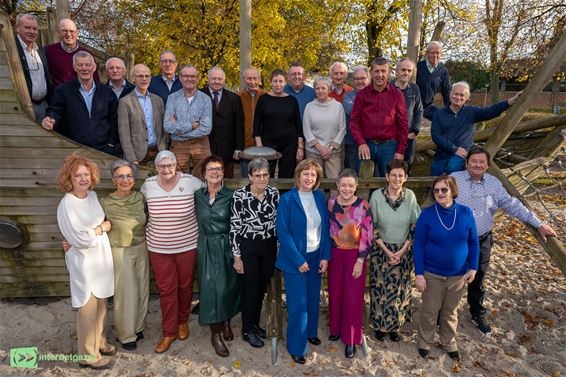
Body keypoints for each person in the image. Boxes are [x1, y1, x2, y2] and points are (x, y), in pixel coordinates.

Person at [451, 146, 557, 335]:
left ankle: (476, 313)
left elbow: (512, 204)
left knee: (479, 278)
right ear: (466, 163)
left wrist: (538, 223)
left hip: (482, 239)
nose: (477, 164)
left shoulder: (493, 183)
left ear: (487, 165)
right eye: (473, 161)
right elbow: (440, 203)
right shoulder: (454, 179)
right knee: (451, 277)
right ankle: (444, 314)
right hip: (455, 240)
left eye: (482, 162)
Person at [56, 153, 115, 370]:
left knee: (102, 305)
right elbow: (80, 239)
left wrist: (95, 229)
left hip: (101, 259)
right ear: (68, 179)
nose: (83, 179)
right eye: (77, 175)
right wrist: (101, 229)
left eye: (86, 174)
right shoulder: (67, 205)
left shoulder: (92, 196)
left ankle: (99, 342)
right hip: (84, 262)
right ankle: (87, 356)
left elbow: (92, 226)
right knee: (87, 309)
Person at [140, 150, 203, 354]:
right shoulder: (148, 186)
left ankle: (182, 322)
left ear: (176, 165)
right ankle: (169, 331)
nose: (166, 169)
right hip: (158, 247)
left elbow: (209, 195)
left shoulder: (191, 182)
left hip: (187, 245)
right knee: (167, 290)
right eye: (161, 166)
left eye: (170, 165)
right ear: (156, 167)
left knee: (185, 287)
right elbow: (138, 210)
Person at [414, 175, 479, 361]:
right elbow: (418, 245)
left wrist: (473, 267)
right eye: (436, 190)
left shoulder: (466, 213)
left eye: (444, 189)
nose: (440, 193)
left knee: (451, 311)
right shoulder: (427, 214)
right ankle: (424, 341)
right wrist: (419, 274)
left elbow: (473, 243)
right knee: (429, 310)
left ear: (452, 190)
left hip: (458, 275)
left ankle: (448, 341)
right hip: (432, 274)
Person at [276, 159, 330, 364]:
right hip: (294, 259)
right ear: (298, 176)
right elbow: (283, 231)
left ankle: (310, 333)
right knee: (298, 303)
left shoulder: (318, 196)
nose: (309, 178)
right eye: (305, 174)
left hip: (316, 255)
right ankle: (296, 347)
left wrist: (325, 255)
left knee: (313, 298)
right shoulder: (288, 199)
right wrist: (298, 259)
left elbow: (324, 228)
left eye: (313, 175)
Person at [99, 160, 149, 351]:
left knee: (143, 289)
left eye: (128, 176)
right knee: (126, 293)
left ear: (133, 180)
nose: (125, 180)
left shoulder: (139, 198)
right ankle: (126, 334)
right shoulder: (104, 202)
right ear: (113, 181)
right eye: (120, 176)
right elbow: (91, 226)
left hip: (141, 247)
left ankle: (138, 327)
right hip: (120, 251)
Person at [369, 160, 421, 342]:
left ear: (406, 178)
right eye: (393, 175)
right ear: (386, 177)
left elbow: (415, 224)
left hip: (403, 250)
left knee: (400, 289)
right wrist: (386, 250)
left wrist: (402, 250)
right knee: (380, 288)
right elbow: (371, 225)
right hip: (381, 250)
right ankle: (379, 327)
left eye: (400, 175)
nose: (396, 178)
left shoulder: (411, 196)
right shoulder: (376, 196)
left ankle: (395, 327)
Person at [195, 155, 241, 357]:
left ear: (223, 173)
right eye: (211, 169)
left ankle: (227, 322)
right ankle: (216, 334)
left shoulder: (232, 196)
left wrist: (237, 252)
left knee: (228, 286)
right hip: (206, 245)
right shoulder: (198, 195)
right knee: (210, 290)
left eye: (219, 169)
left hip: (227, 244)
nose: (215, 172)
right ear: (204, 174)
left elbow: (238, 225)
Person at [230, 158, 279, 348]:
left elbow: (277, 224)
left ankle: (255, 325)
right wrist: (237, 256)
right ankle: (247, 330)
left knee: (260, 290)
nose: (261, 178)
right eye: (257, 175)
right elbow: (234, 227)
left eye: (265, 174)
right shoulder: (240, 196)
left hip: (269, 247)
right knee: (250, 291)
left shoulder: (274, 193)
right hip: (248, 247)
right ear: (250, 176)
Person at [327, 169, 373, 358]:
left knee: (353, 298)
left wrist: (361, 260)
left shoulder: (363, 205)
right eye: (343, 185)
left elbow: (368, 234)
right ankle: (336, 329)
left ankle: (351, 339)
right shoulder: (330, 203)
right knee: (335, 293)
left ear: (356, 187)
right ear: (337, 186)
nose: (347, 189)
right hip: (334, 255)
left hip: (355, 256)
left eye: (351, 186)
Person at [431, 82, 520, 176]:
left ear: (467, 98)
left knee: (453, 170)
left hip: (462, 154)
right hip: (442, 154)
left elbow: (491, 111)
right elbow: (436, 135)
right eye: (456, 94)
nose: (458, 97)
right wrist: (454, 148)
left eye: (462, 95)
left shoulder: (471, 112)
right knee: (434, 177)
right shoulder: (439, 113)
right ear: (450, 94)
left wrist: (512, 100)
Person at [41, 51, 120, 157]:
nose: (84, 68)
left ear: (94, 67)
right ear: (74, 67)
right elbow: (55, 111)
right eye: (80, 65)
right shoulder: (63, 90)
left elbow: (114, 119)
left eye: (87, 65)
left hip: (104, 149)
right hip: (74, 149)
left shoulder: (107, 92)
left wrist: (111, 143)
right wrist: (50, 118)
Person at [349, 57, 408, 177]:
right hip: (366, 145)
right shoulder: (362, 94)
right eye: (376, 71)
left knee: (389, 180)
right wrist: (361, 142)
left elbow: (403, 124)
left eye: (383, 71)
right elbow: (354, 121)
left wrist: (400, 150)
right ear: (371, 73)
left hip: (389, 146)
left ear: (389, 73)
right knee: (363, 180)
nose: (380, 75)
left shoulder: (397, 95)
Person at [253, 69, 304, 178]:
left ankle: (284, 195)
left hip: (289, 145)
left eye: (281, 81)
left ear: (285, 82)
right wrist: (259, 146)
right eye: (275, 81)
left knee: (287, 175)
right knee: (266, 174)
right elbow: (256, 124)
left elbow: (298, 125)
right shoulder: (263, 99)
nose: (278, 84)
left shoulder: (292, 100)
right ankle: (268, 195)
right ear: (270, 82)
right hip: (268, 145)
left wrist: (300, 147)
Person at [164, 64, 213, 175]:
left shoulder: (206, 99)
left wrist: (179, 131)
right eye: (186, 76)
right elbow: (167, 126)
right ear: (180, 78)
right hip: (178, 146)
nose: (190, 79)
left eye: (193, 76)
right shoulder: (172, 98)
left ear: (198, 78)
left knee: (204, 176)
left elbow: (206, 128)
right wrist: (191, 125)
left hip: (201, 144)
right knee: (178, 178)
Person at [118, 64, 168, 165]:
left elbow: (164, 128)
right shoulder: (125, 102)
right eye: (140, 76)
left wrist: (164, 147)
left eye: (147, 76)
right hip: (138, 156)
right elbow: (124, 134)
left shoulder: (158, 100)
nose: (144, 79)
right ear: (133, 78)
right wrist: (132, 158)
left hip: (159, 153)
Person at [200, 67, 244, 178]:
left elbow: (239, 125)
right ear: (208, 79)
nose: (217, 81)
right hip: (204, 146)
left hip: (227, 150)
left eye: (220, 79)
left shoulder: (234, 98)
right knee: (205, 178)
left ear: (224, 80)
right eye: (214, 78)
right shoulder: (199, 95)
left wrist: (238, 148)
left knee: (227, 180)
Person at [302, 77, 346, 178]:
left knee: (334, 182)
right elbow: (306, 129)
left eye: (323, 88)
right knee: (314, 181)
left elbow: (342, 129)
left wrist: (330, 148)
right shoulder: (309, 106)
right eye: (317, 88)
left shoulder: (338, 106)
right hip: (313, 151)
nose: (320, 91)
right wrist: (320, 148)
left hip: (333, 151)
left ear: (329, 90)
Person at [14, 13, 52, 121]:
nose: (32, 31)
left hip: (43, 105)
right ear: (17, 28)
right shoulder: (12, 49)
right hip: (22, 107)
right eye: (27, 27)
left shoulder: (41, 50)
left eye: (35, 28)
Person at [45, 18, 99, 88]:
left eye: (71, 31)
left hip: (83, 97)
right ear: (58, 32)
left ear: (77, 33)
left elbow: (96, 81)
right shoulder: (48, 51)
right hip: (59, 97)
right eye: (64, 31)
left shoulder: (87, 54)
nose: (68, 34)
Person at [393, 58, 423, 175]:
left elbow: (419, 111)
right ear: (396, 71)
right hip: (391, 137)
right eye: (403, 70)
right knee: (392, 167)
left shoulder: (415, 89)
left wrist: (414, 131)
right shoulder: (389, 87)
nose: (406, 73)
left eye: (409, 70)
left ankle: (405, 192)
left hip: (409, 136)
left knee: (406, 168)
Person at [238, 67, 266, 177]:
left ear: (259, 79)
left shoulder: (266, 96)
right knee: (247, 177)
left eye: (255, 78)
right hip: (246, 145)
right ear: (244, 79)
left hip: (263, 146)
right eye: (249, 78)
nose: (252, 82)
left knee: (262, 176)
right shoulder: (238, 97)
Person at [416, 41, 451, 121]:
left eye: (438, 53)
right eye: (432, 53)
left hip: (428, 107)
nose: (435, 55)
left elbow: (447, 91)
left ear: (441, 54)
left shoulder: (443, 71)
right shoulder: (418, 67)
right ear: (427, 53)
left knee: (443, 118)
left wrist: (450, 110)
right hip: (414, 104)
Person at [343, 66, 369, 171]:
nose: (359, 81)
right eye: (356, 79)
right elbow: (351, 111)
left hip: (371, 142)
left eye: (362, 78)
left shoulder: (376, 95)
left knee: (371, 175)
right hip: (352, 143)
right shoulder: (348, 96)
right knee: (352, 174)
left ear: (369, 79)